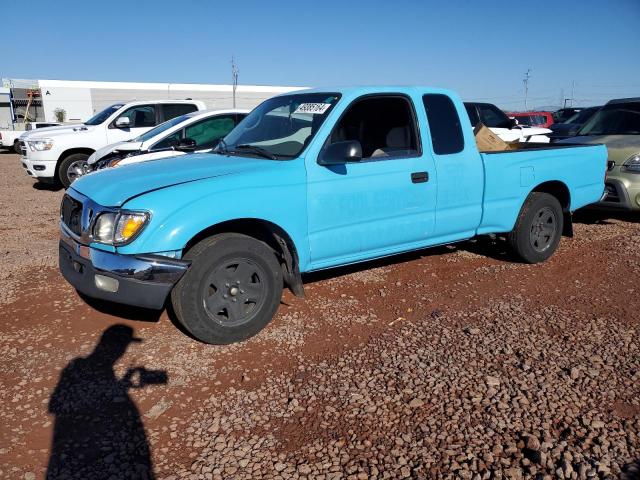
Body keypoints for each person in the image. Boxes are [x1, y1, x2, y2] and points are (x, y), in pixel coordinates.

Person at [46, 324, 164, 479]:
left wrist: (122, 385)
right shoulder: (80, 366)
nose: (123, 350)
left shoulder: (80, 366)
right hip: (85, 448)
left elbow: (56, 404)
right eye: (123, 345)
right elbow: (55, 405)